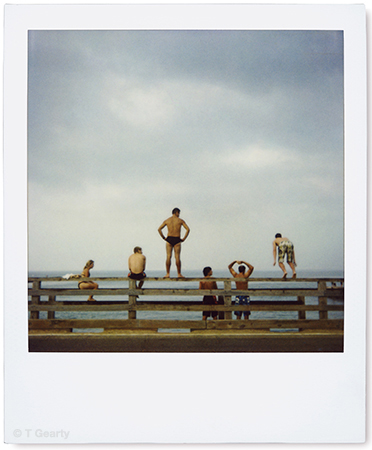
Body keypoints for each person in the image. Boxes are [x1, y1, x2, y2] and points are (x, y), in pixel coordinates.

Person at [158, 207, 190, 278]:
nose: (179, 215)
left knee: (168, 256)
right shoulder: (180, 221)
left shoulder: (167, 220)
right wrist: (184, 238)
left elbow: (159, 229)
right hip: (177, 239)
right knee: (177, 257)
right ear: (176, 212)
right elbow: (188, 229)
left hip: (169, 239)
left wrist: (164, 237)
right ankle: (179, 274)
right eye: (179, 213)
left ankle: (167, 274)